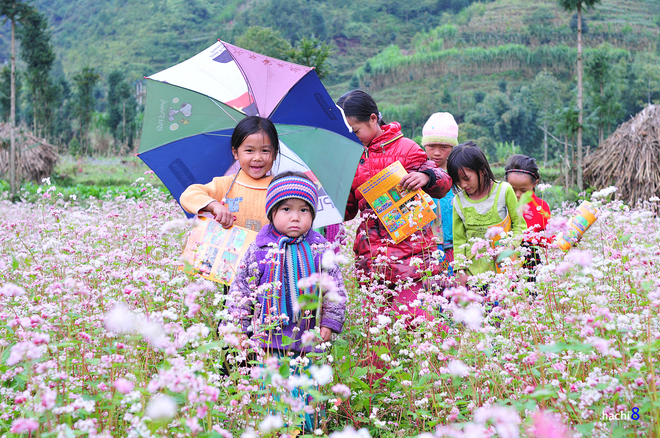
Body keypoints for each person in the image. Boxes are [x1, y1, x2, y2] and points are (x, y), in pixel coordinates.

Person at [225, 171, 347, 430]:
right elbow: (242, 291)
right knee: (272, 397)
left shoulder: (320, 248)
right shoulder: (259, 249)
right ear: (271, 213)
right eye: (286, 209)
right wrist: (239, 327)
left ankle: (305, 430)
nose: (295, 216)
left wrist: (330, 322)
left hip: (308, 340)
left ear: (313, 214)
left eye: (304, 209)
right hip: (268, 342)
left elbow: (335, 290)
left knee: (306, 396)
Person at [336, 89, 452, 322]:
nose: (353, 136)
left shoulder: (406, 148)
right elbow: (348, 211)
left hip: (412, 252)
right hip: (371, 256)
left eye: (356, 130)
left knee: (416, 323)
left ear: (373, 118)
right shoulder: (348, 157)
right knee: (379, 333)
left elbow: (443, 182)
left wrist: (426, 177)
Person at [180, 116, 279, 232]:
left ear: (275, 154)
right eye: (249, 150)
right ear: (235, 153)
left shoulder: (279, 188)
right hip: (229, 249)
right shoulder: (226, 184)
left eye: (265, 151)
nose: (257, 158)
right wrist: (215, 206)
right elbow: (188, 196)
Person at [447, 142, 524, 286]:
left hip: (504, 272)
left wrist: (510, 248)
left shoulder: (504, 191)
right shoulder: (458, 201)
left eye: (466, 178)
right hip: (474, 276)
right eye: (457, 181)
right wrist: (460, 270)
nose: (462, 185)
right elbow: (459, 240)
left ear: (482, 170)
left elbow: (520, 226)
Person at [422, 112, 458, 274]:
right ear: (424, 146)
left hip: (454, 244)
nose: (437, 152)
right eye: (432, 146)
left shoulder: (458, 174)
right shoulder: (418, 173)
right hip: (426, 244)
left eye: (444, 147)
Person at [504, 154, 551, 279]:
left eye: (524, 190)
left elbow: (548, 238)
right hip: (506, 255)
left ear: (535, 183)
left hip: (530, 261)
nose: (518, 195)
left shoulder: (541, 206)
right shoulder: (501, 203)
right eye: (513, 190)